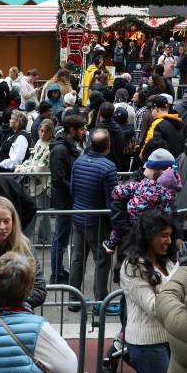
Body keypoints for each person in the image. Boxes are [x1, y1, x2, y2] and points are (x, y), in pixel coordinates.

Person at [106, 211, 179, 373]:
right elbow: (154, 306)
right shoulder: (132, 266)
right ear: (148, 236)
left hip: (166, 338)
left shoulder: (167, 263)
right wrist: (182, 280)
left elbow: (172, 295)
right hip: (146, 343)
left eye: (171, 236)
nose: (168, 241)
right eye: (163, 236)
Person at [69, 129, 119, 313]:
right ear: (108, 146)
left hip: (79, 216)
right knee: (101, 261)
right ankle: (101, 302)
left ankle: (73, 298)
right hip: (98, 221)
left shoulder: (78, 162)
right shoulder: (108, 168)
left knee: (78, 259)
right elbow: (111, 200)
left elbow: (73, 189)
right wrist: (114, 222)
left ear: (91, 144)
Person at [49, 115, 86, 283]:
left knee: (62, 237)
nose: (85, 132)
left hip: (69, 198)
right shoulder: (60, 149)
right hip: (64, 200)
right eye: (82, 129)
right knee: (61, 237)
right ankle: (56, 274)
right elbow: (58, 178)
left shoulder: (68, 147)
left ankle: (59, 272)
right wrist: (75, 189)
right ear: (72, 130)